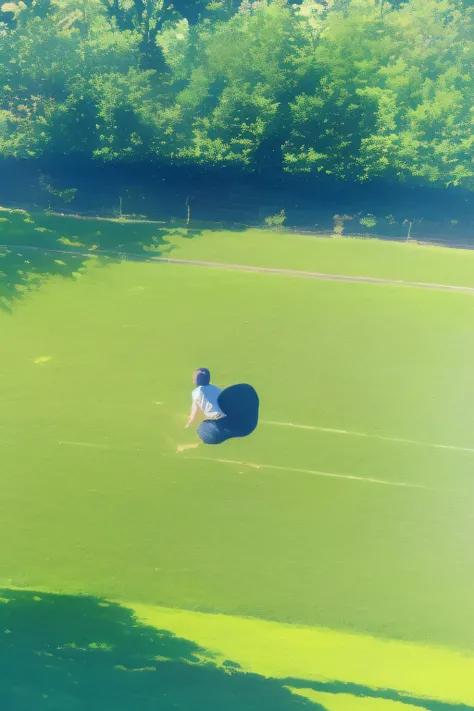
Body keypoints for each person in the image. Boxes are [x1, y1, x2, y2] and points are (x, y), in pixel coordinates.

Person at [178, 368, 259, 451]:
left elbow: (194, 412)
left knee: (203, 430)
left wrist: (189, 424)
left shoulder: (196, 392)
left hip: (217, 422)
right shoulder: (215, 388)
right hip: (230, 417)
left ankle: (193, 444)